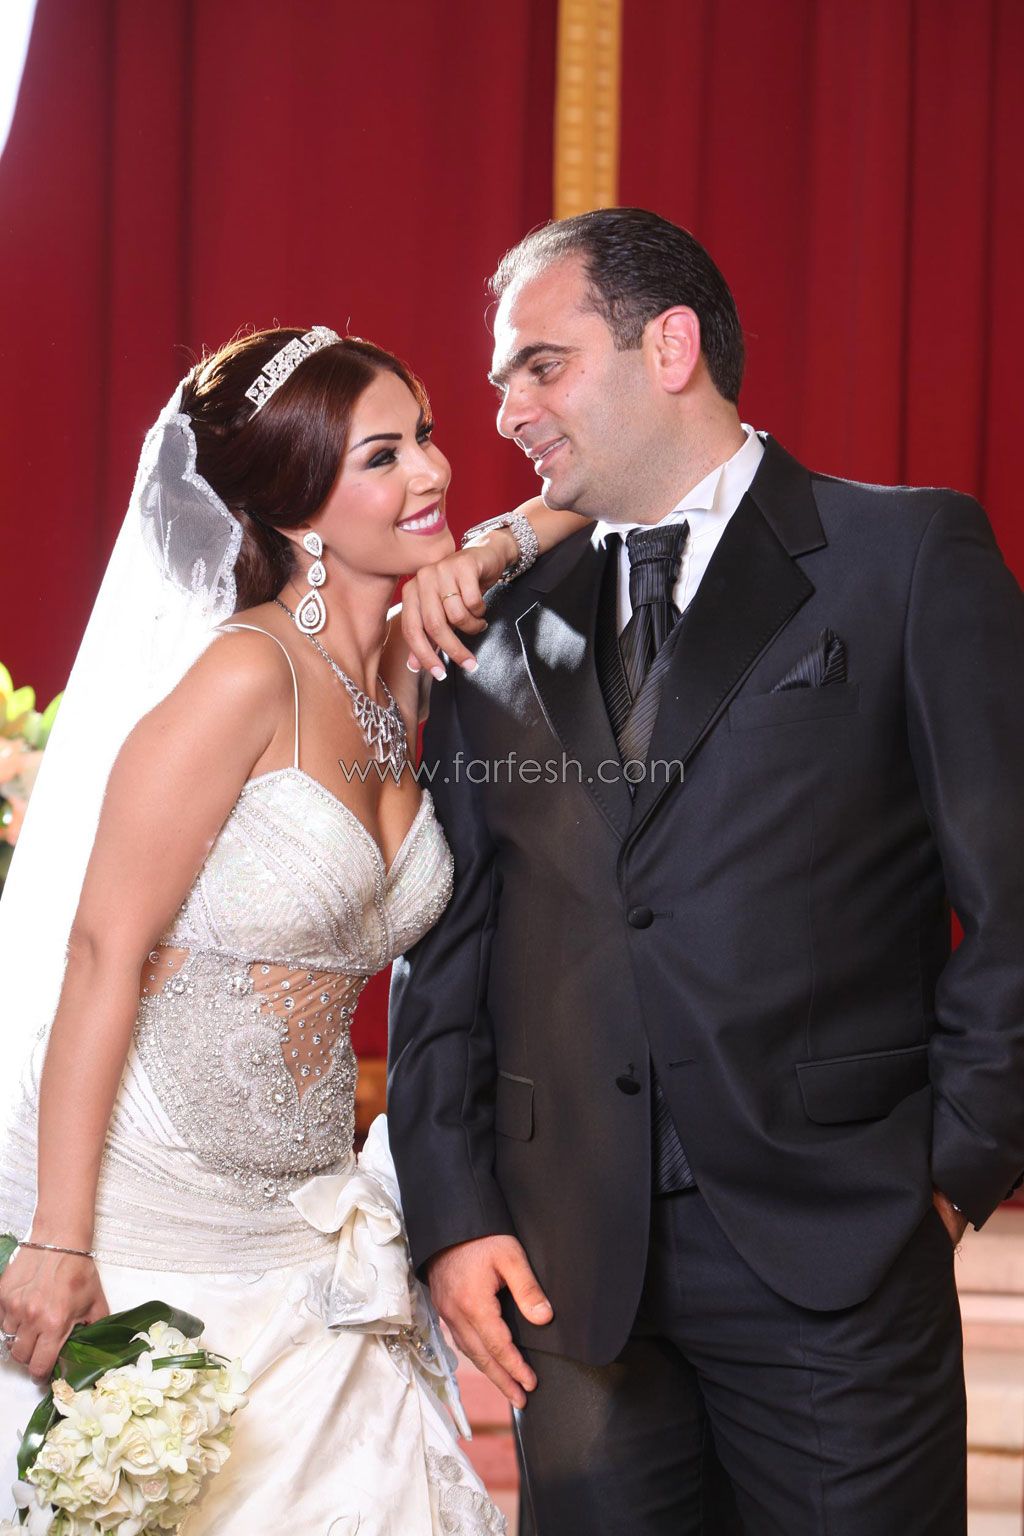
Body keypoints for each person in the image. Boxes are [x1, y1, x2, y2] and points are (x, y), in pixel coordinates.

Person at [389, 208, 1024, 1535]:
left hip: (840, 1252)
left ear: (669, 346)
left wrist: (950, 1171)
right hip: (568, 1273)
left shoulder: (904, 559)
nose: (504, 411)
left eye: (541, 365)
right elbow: (449, 940)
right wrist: (451, 1212)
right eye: (502, 378)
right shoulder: (489, 621)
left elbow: (1013, 893)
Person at [0, 324, 581, 1534]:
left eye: (424, 435)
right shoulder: (243, 677)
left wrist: (494, 543)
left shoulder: (407, 668)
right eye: (383, 456)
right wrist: (58, 1239)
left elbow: (591, 494)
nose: (431, 472)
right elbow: (102, 955)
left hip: (312, 1216)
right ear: (299, 510)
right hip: (156, 1210)